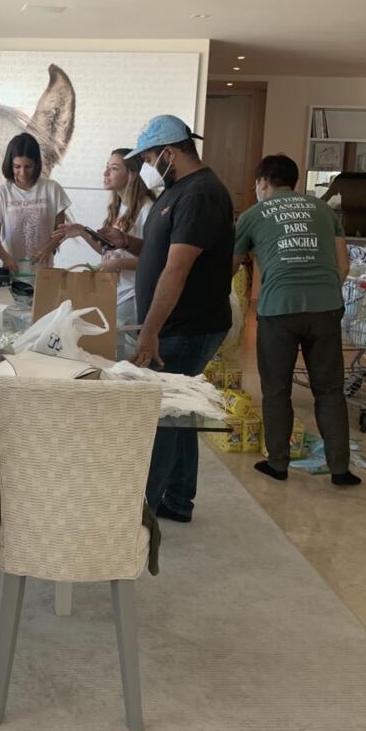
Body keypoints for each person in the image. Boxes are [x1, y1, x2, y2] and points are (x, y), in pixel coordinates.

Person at [102, 115, 234, 523]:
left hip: (188, 324)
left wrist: (150, 331)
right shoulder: (179, 191)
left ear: (170, 153)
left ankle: (140, 511)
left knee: (160, 414)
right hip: (180, 323)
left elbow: (177, 269)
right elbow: (161, 250)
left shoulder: (201, 194)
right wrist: (129, 242)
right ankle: (176, 499)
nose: (147, 166)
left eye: (148, 158)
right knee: (178, 411)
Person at [234, 154, 361, 487]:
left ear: (263, 182)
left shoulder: (253, 215)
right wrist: (323, 295)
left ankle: (278, 463)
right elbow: (343, 265)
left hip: (279, 309)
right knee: (330, 389)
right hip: (326, 308)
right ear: (295, 182)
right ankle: (340, 469)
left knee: (277, 389)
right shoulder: (324, 210)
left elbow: (230, 266)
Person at [45, 148, 159, 358]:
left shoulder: (147, 209)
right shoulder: (120, 207)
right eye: (107, 167)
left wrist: (119, 265)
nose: (105, 173)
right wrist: (82, 231)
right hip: (116, 290)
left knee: (116, 350)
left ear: (132, 174)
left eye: (113, 168)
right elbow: (109, 251)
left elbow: (156, 260)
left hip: (133, 293)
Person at [0, 132, 70, 277]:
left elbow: (61, 232)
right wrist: (6, 258)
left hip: (41, 272)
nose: (22, 173)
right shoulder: (1, 192)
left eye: (28, 166)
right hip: (9, 271)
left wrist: (47, 249)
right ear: (10, 165)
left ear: (36, 164)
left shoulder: (52, 189)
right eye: (17, 166)